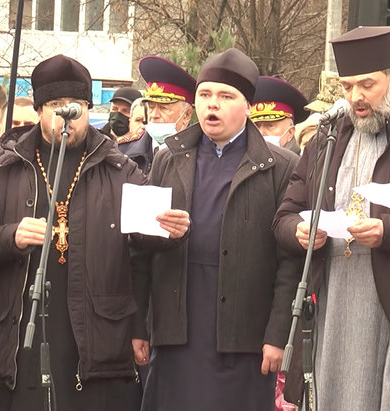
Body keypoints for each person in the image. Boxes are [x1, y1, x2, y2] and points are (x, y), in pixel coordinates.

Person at [0, 54, 188, 411]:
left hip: (96, 339)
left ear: (87, 107)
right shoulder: (5, 168)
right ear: (39, 110)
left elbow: (145, 241)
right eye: (55, 105)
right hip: (25, 333)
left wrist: (170, 230)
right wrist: (11, 236)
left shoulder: (118, 168)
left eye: (76, 106)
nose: (66, 114)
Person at [272, 26, 390, 410]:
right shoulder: (326, 141)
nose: (356, 98)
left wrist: (388, 232)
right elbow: (282, 216)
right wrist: (300, 231)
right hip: (332, 306)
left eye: (367, 85)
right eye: (347, 87)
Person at [132, 48, 300, 411]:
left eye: (226, 97)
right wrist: (138, 326)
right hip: (178, 329)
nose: (213, 105)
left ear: (248, 106)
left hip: (244, 338)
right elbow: (140, 249)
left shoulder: (280, 167)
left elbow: (290, 262)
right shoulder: (169, 157)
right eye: (206, 94)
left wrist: (277, 334)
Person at [138, 55, 196, 150]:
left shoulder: (202, 157)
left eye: (163, 108)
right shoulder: (126, 152)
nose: (154, 115)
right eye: (151, 107)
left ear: (186, 114)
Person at [250, 76, 309, 155]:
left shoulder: (303, 165)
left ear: (290, 133)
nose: (261, 133)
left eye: (270, 126)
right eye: (256, 127)